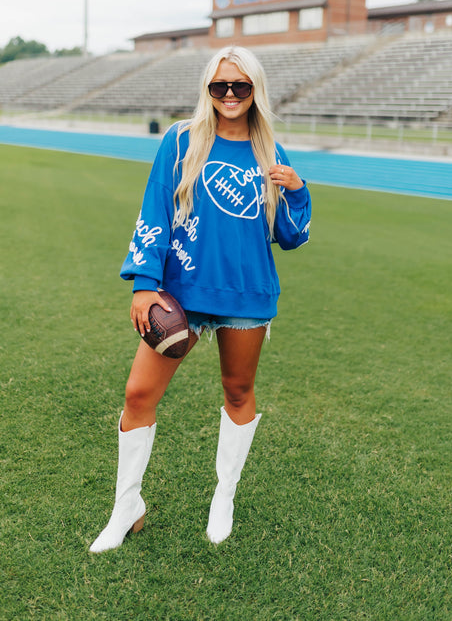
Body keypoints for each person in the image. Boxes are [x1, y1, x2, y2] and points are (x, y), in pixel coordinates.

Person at [89, 45, 311, 553]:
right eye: (220, 87)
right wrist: (144, 282)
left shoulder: (271, 152)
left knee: (238, 392)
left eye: (240, 87)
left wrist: (297, 191)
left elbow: (291, 236)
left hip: (245, 293)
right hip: (181, 293)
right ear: (207, 90)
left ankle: (224, 497)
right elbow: (155, 208)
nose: (230, 96)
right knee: (138, 395)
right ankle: (128, 507)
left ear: (255, 91)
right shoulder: (181, 141)